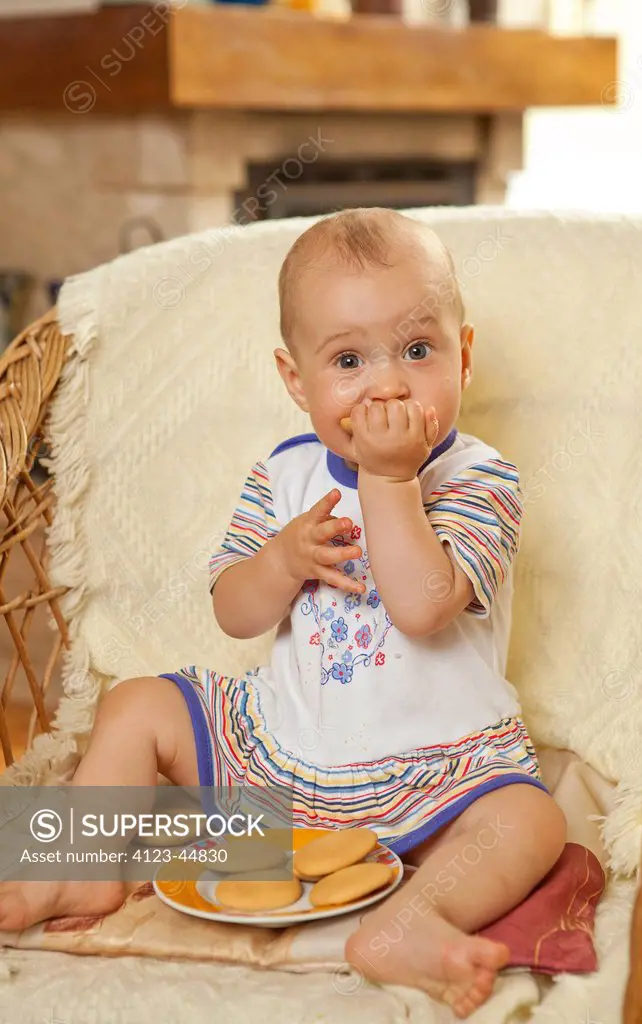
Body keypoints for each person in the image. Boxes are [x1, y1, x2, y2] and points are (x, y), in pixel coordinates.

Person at [0, 208, 565, 1018]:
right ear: (296, 380)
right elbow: (234, 612)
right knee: (138, 703)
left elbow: (424, 606)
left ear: (463, 357)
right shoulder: (287, 474)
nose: (387, 383)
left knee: (532, 822)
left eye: (417, 350)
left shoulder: (482, 480)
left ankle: (410, 921)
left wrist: (393, 480)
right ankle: (84, 863)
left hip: (437, 779)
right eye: (346, 360)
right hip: (282, 769)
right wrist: (282, 562)